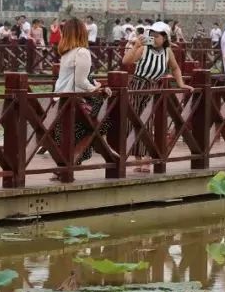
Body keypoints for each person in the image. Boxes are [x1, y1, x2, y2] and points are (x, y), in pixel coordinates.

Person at [122, 21, 193, 172]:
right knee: (132, 122)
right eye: (151, 35)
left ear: (165, 38)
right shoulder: (144, 48)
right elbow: (126, 61)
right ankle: (138, 159)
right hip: (137, 86)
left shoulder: (167, 52)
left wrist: (181, 84)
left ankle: (146, 159)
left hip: (153, 87)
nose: (153, 38)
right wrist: (135, 46)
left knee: (147, 122)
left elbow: (175, 68)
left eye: (157, 36)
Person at [51, 17, 112, 179]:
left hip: (60, 100)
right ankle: (108, 155)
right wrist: (97, 88)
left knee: (66, 136)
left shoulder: (66, 53)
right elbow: (81, 82)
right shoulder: (82, 52)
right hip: (74, 101)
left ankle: (64, 166)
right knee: (104, 120)